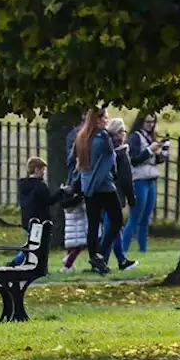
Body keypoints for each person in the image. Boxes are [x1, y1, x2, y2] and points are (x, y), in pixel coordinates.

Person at [69, 107, 121, 275]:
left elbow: (75, 161)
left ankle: (94, 257)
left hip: (88, 187)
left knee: (93, 225)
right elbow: (109, 159)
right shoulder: (102, 137)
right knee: (116, 220)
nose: (107, 121)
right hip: (104, 186)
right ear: (97, 120)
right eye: (105, 118)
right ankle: (99, 253)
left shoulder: (82, 137)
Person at [123, 112, 166, 253]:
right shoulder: (135, 137)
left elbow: (157, 161)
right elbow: (134, 159)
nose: (150, 125)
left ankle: (143, 250)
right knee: (136, 216)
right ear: (141, 122)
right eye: (147, 122)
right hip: (139, 179)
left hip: (151, 179)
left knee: (146, 217)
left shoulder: (150, 137)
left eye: (153, 122)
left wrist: (160, 153)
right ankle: (123, 250)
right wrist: (149, 150)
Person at [12, 157, 65, 268]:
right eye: (42, 170)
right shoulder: (40, 185)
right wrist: (61, 191)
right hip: (41, 219)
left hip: (27, 219)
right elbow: (48, 201)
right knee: (40, 245)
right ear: (36, 170)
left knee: (32, 242)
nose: (43, 172)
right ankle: (40, 267)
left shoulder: (23, 185)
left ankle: (17, 261)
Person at [102, 119, 137, 271]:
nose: (124, 134)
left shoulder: (104, 149)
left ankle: (120, 259)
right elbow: (126, 178)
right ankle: (102, 259)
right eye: (123, 131)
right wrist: (131, 198)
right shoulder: (121, 153)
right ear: (118, 133)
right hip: (116, 195)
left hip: (102, 193)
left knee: (114, 228)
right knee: (113, 228)